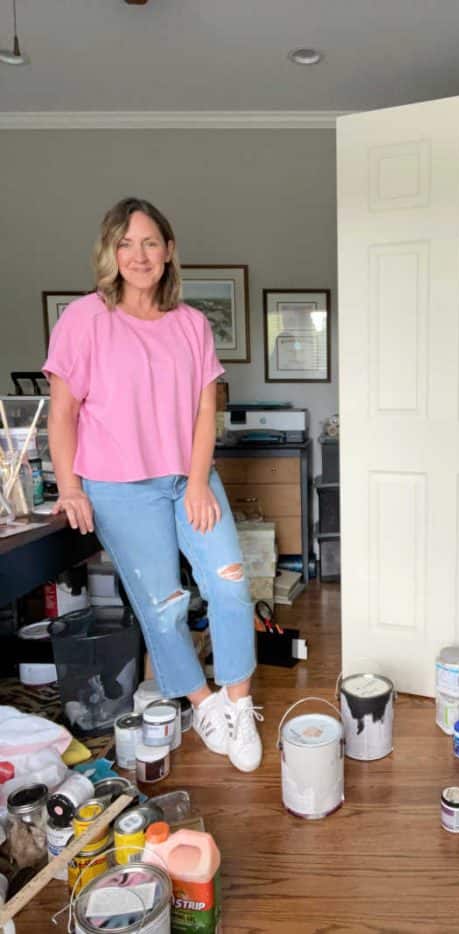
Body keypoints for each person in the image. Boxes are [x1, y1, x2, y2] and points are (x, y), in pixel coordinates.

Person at [43, 196, 262, 771]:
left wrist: (196, 483)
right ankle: (203, 704)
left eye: (149, 243)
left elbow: (203, 412)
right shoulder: (85, 318)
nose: (138, 255)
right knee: (163, 605)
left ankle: (239, 706)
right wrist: (69, 487)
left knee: (231, 584)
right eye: (125, 243)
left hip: (190, 478)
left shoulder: (191, 325)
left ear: (168, 253)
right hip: (119, 489)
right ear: (110, 253)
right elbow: (62, 412)